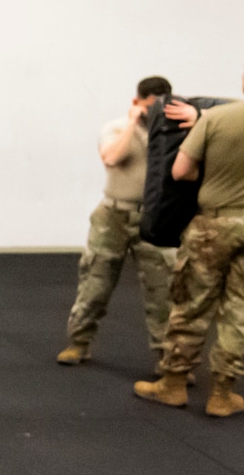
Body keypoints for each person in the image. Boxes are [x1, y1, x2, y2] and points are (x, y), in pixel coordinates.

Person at [135, 43, 244, 418]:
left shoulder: (215, 121)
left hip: (215, 224)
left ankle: (172, 384)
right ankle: (222, 394)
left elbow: (180, 171)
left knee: (191, 304)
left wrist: (201, 119)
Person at [57, 77, 182, 366]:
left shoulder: (171, 133)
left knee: (163, 288)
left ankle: (168, 357)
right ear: (136, 102)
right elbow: (112, 157)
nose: (154, 113)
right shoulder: (114, 128)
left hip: (154, 216)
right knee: (95, 281)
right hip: (113, 215)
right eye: (149, 107)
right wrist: (133, 123)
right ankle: (79, 342)